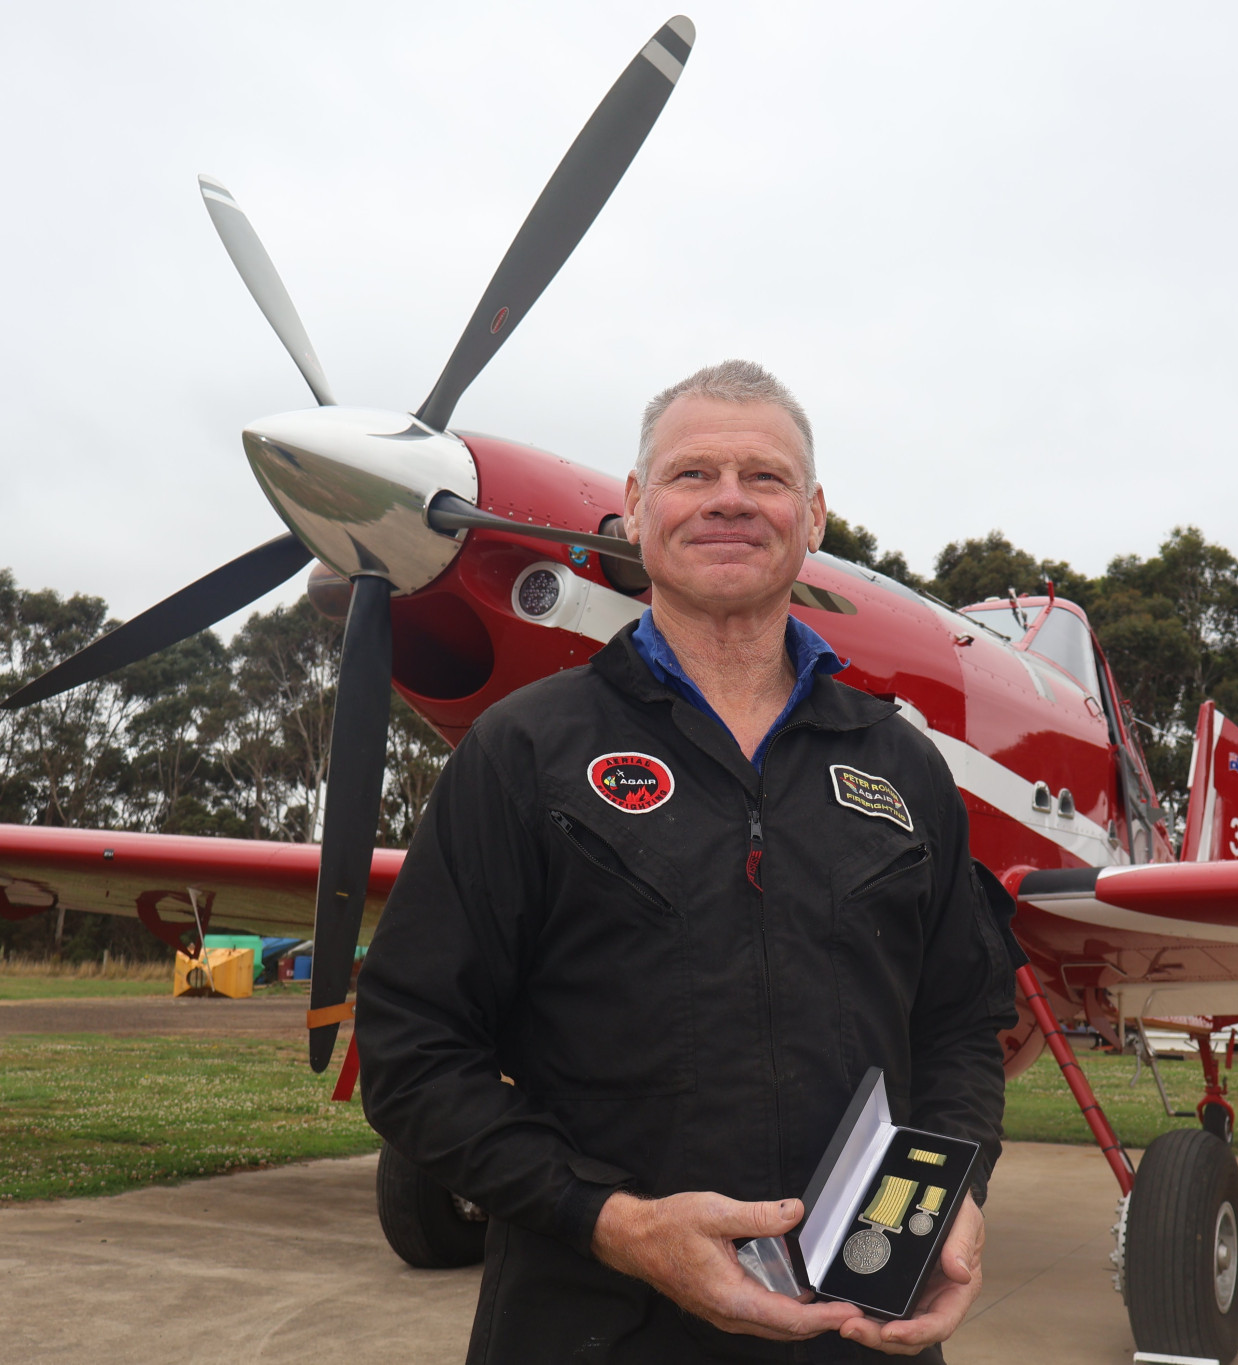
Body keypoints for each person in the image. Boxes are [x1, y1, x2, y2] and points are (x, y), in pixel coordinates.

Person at [356, 359, 1016, 1362]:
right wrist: (615, 1223)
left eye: (763, 477)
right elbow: (411, 1051)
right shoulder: (522, 751)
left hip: (860, 1333)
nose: (729, 502)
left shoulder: (903, 766)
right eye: (691, 474)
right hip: (590, 1330)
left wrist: (954, 1194)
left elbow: (960, 1030)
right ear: (631, 509)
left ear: (814, 515)